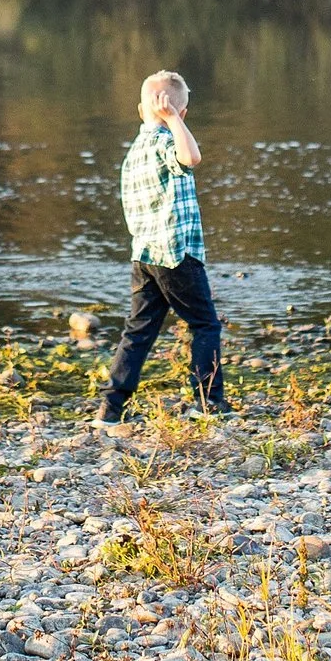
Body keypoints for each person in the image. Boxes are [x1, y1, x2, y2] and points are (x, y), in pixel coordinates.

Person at [96, 70, 227, 426]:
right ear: (181, 114)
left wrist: (167, 118)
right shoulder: (164, 143)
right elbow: (191, 158)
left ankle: (111, 408)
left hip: (144, 255)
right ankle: (208, 402)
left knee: (137, 331)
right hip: (174, 254)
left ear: (141, 110)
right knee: (206, 325)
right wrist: (173, 121)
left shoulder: (135, 149)